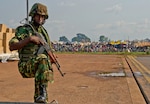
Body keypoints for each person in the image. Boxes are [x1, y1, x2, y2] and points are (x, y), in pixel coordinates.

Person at [9, 3, 55, 103]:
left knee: (44, 68)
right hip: (25, 65)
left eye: (43, 16)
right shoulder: (24, 30)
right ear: (33, 15)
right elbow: (12, 46)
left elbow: (49, 50)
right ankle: (42, 94)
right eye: (38, 15)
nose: (40, 18)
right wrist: (29, 39)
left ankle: (41, 98)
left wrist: (52, 58)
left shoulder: (44, 33)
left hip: (38, 65)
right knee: (42, 59)